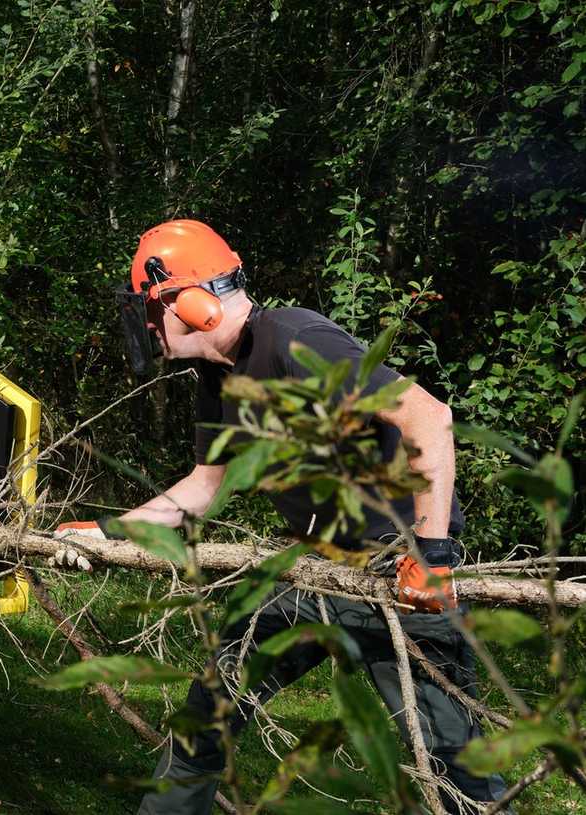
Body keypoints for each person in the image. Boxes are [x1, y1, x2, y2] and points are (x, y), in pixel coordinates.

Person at [53, 220, 508, 814]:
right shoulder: (217, 379)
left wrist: (432, 557)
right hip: (309, 571)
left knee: (456, 767)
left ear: (189, 303)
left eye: (151, 309)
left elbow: (428, 417)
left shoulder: (297, 340)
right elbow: (204, 487)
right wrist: (110, 532)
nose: (146, 327)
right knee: (205, 722)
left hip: (400, 574)